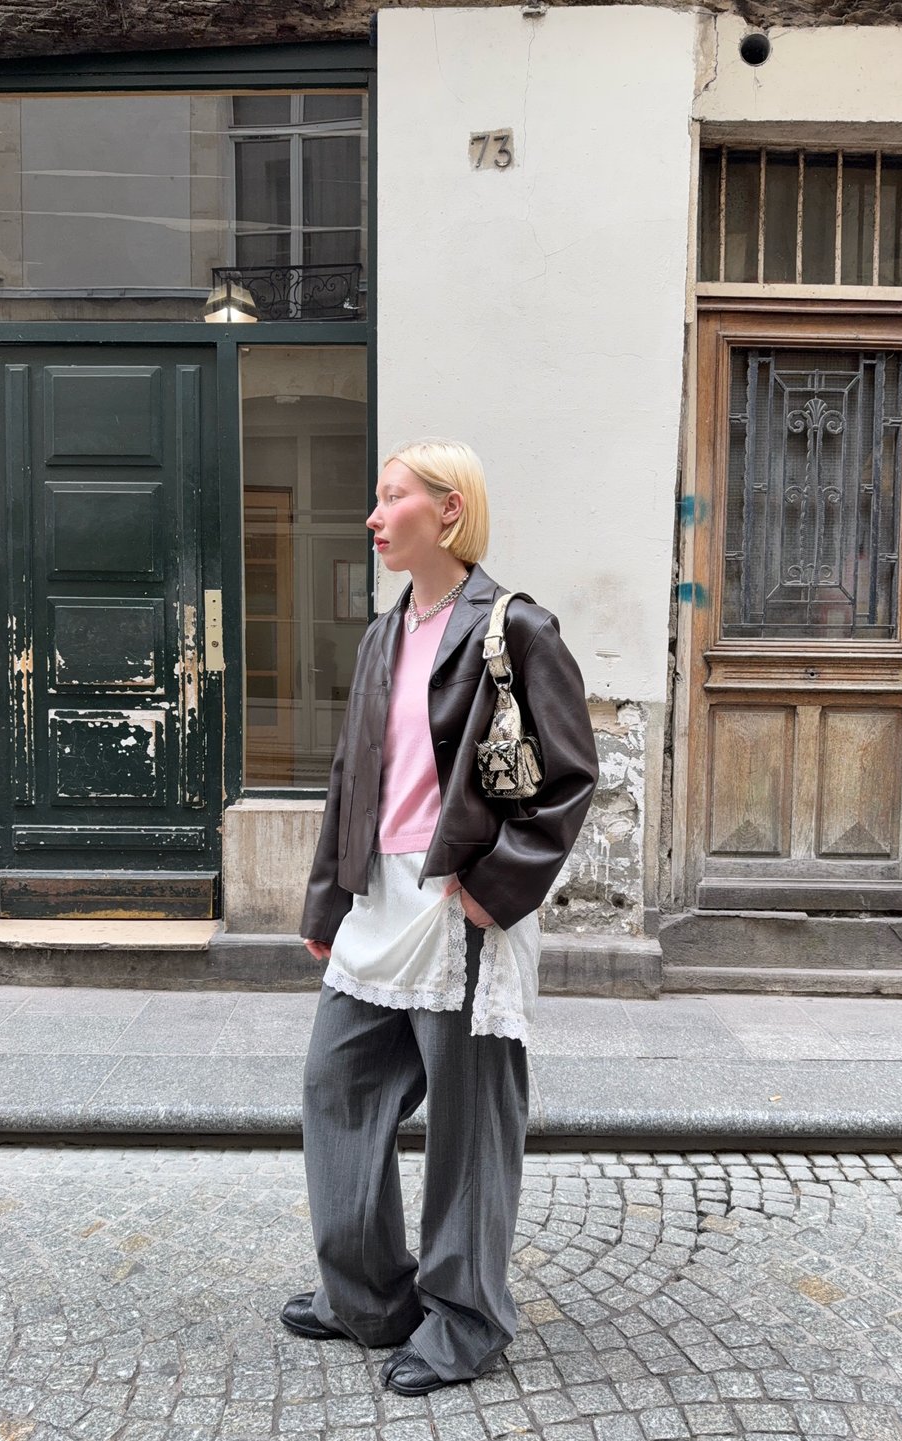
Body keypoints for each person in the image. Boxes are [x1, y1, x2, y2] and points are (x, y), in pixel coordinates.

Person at [281, 438, 598, 1396]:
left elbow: (571, 776)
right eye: (376, 502)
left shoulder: (517, 626)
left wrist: (494, 882)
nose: (373, 518)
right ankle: (371, 1295)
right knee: (335, 1084)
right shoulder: (385, 633)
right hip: (380, 901)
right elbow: (353, 776)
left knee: (468, 1121)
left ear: (449, 511)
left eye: (392, 499)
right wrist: (328, 896)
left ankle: (466, 1320)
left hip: (462, 908)